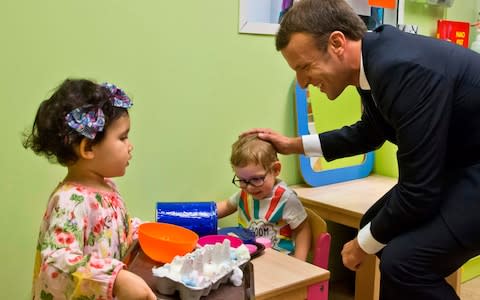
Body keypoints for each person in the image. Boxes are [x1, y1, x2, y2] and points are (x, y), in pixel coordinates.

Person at [244, 0, 480, 299]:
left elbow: (418, 191)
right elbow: (371, 131)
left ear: (337, 43)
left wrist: (361, 245)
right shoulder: (375, 61)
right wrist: (293, 145)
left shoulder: (401, 68)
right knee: (378, 231)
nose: (303, 82)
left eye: (304, 67)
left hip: (470, 169)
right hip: (463, 163)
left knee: (403, 263)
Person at [23, 79, 156, 300]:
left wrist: (143, 233)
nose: (130, 145)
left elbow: (109, 236)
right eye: (122, 137)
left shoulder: (107, 188)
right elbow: (57, 261)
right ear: (88, 148)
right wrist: (115, 279)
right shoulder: (70, 201)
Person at [217, 134, 311, 261]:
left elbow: (302, 230)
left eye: (256, 179)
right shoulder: (244, 194)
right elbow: (226, 206)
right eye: (243, 180)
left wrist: (300, 261)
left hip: (280, 261)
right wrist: (198, 216)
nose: (249, 187)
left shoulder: (286, 199)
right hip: (250, 256)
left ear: (276, 169)